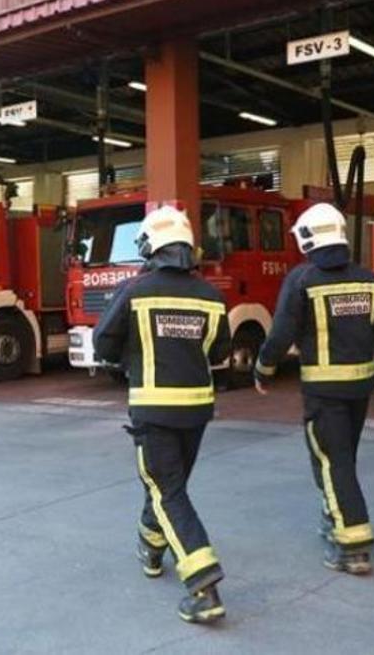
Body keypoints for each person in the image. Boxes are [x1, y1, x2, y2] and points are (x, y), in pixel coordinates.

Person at [254, 202, 374, 575]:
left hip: (324, 392)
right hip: (360, 389)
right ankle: (335, 515)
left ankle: (352, 545)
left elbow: (281, 332)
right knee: (342, 457)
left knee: (332, 460)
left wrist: (263, 369)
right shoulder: (368, 280)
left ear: (308, 238)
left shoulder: (302, 280)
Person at [94, 204, 233, 624]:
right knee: (169, 486)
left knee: (167, 489)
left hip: (153, 409)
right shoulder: (211, 294)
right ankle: (151, 548)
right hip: (196, 410)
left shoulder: (136, 290)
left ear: (150, 245)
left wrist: (130, 356)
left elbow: (103, 343)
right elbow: (221, 351)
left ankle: (203, 584)